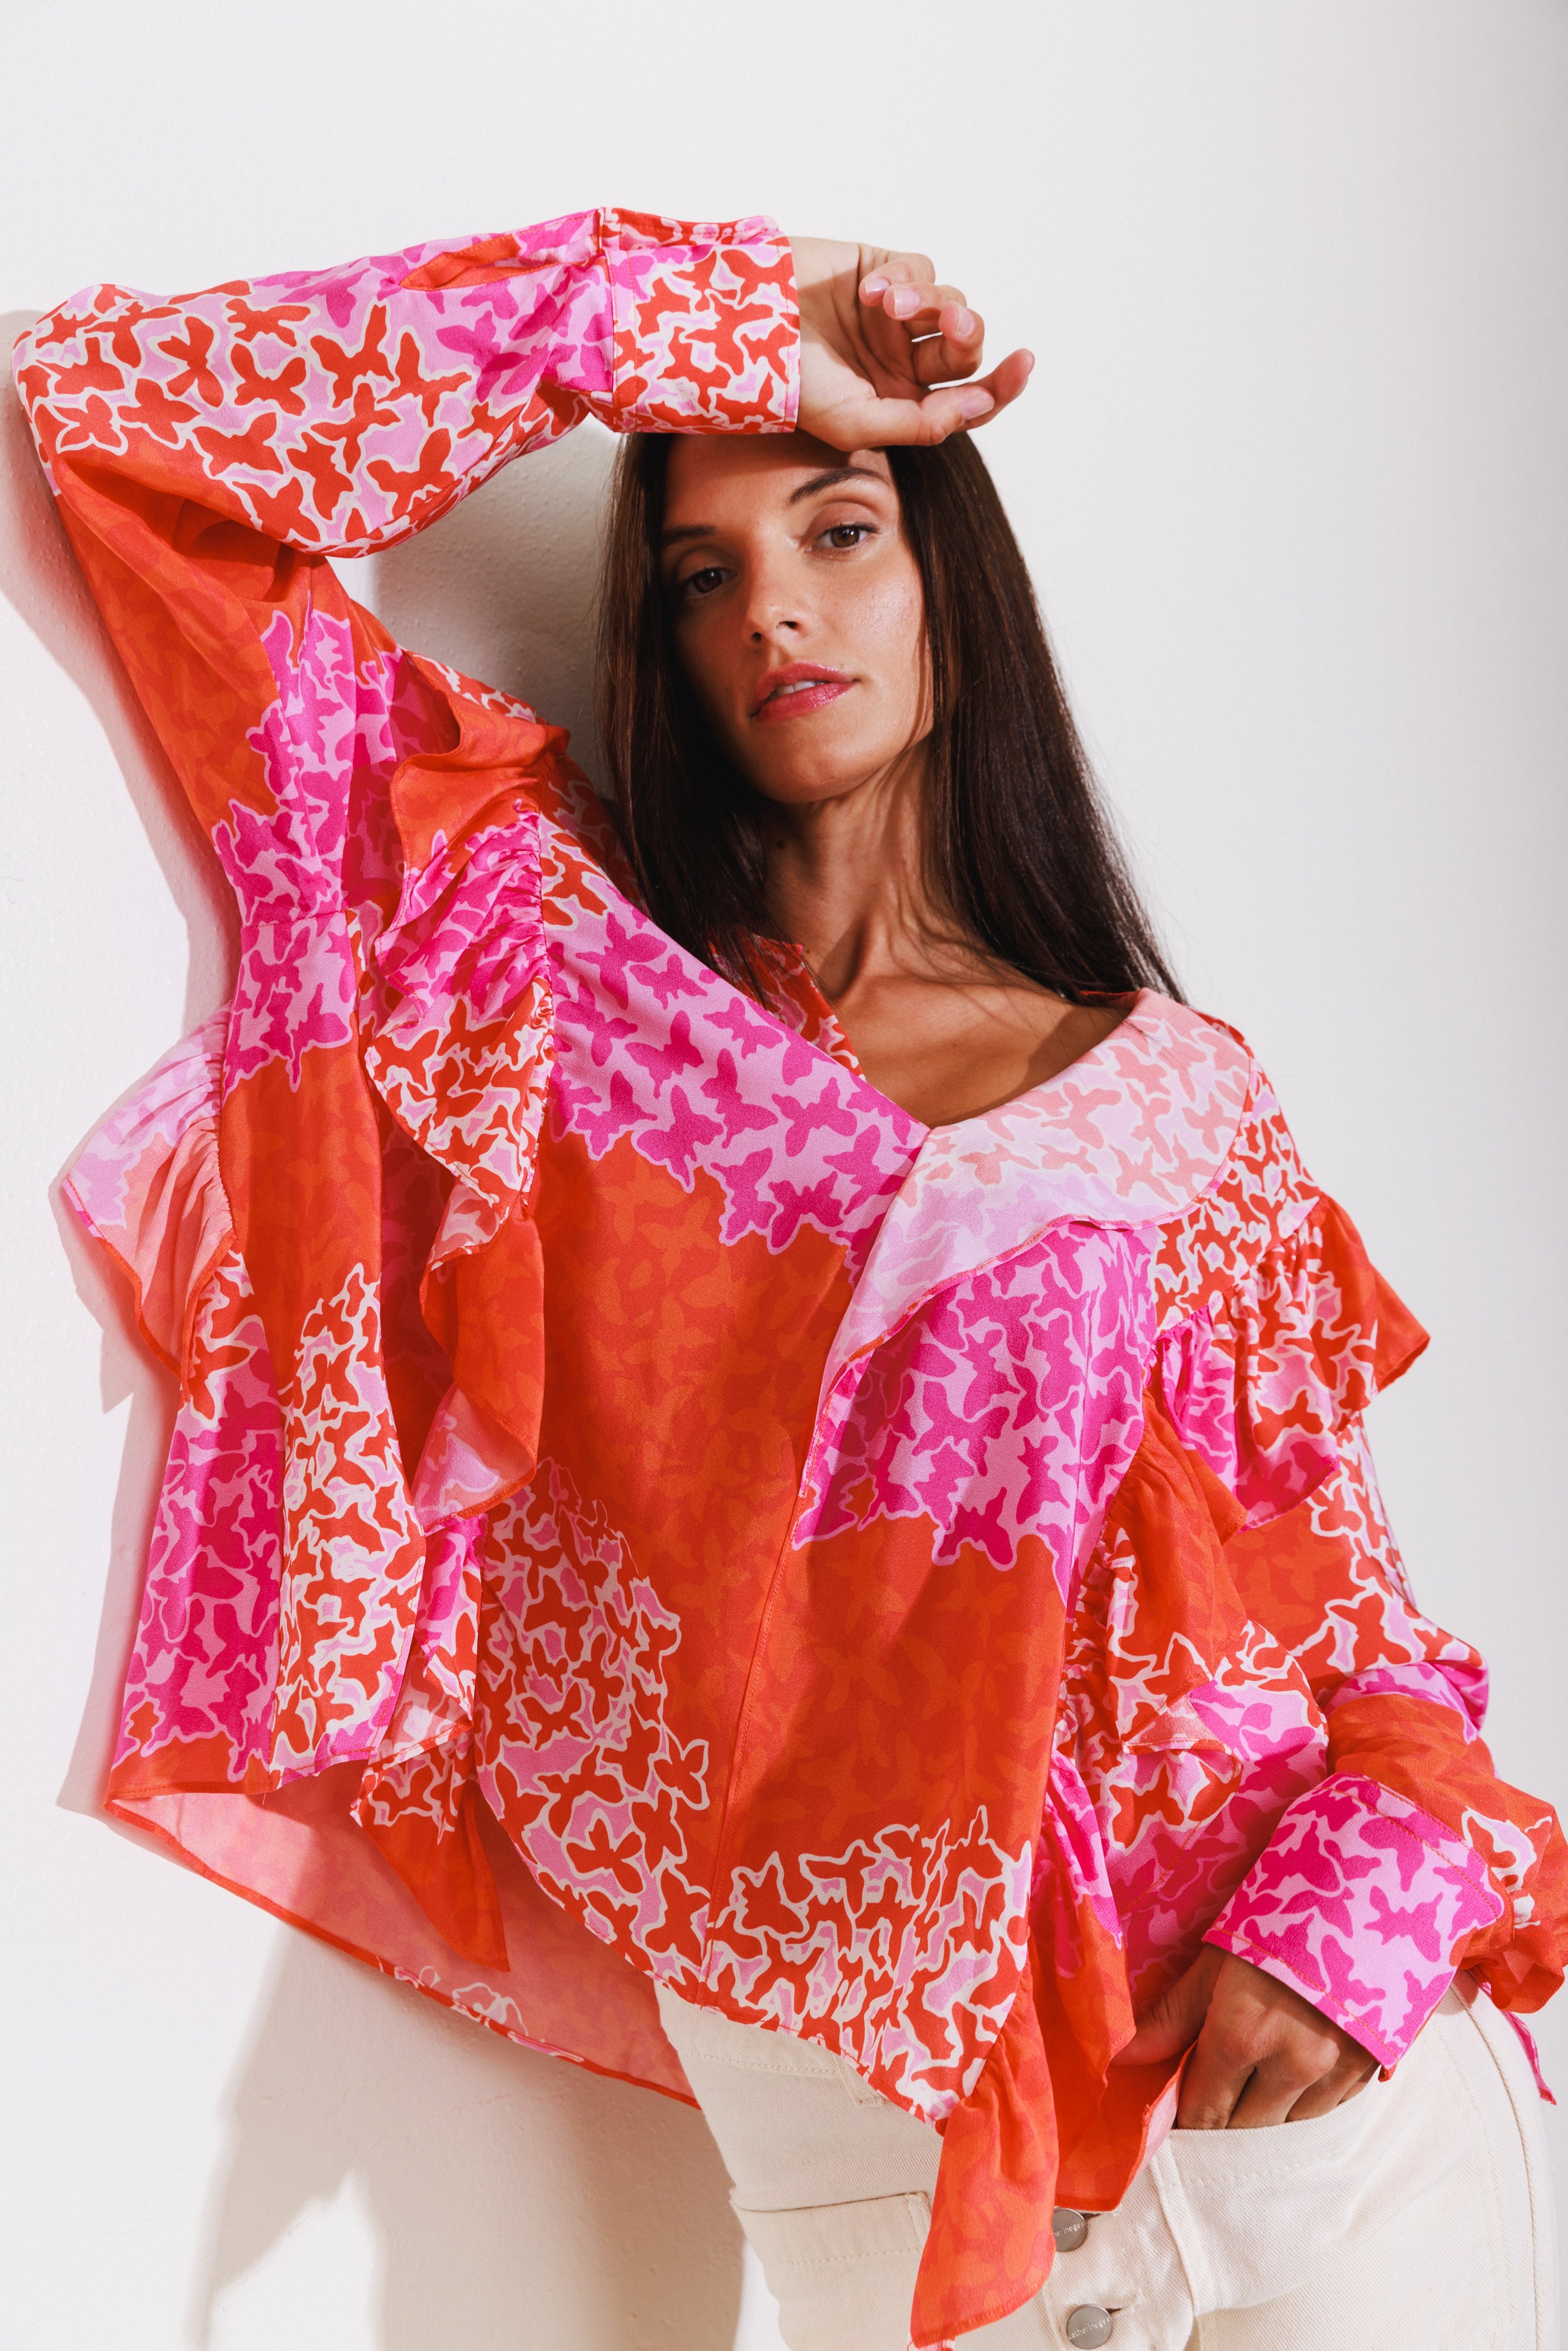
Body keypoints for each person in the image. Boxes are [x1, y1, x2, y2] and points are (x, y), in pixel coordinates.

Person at [15, 208, 1563, 2350]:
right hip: (866, 2150)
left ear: (951, 588)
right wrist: (728, 318)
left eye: (840, 531)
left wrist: (1361, 1912)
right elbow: (118, 427)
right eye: (698, 572)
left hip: (1321, 2117)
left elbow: (1376, 1650)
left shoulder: (1184, 1102)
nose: (776, 613)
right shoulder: (550, 987)